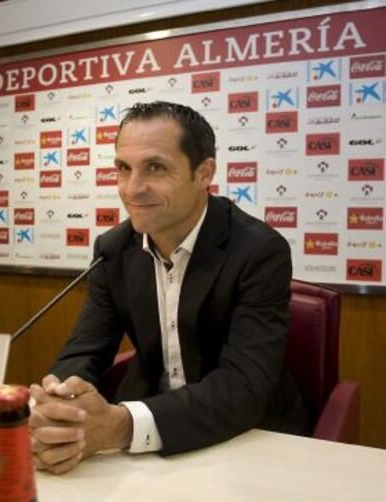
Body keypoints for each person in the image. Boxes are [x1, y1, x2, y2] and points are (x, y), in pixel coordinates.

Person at [30, 101, 307, 474]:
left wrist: (121, 425)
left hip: (249, 434)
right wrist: (58, 405)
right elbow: (85, 349)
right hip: (148, 429)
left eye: (155, 168)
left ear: (204, 172)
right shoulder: (113, 249)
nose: (132, 189)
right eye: (123, 168)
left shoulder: (259, 250)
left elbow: (244, 385)